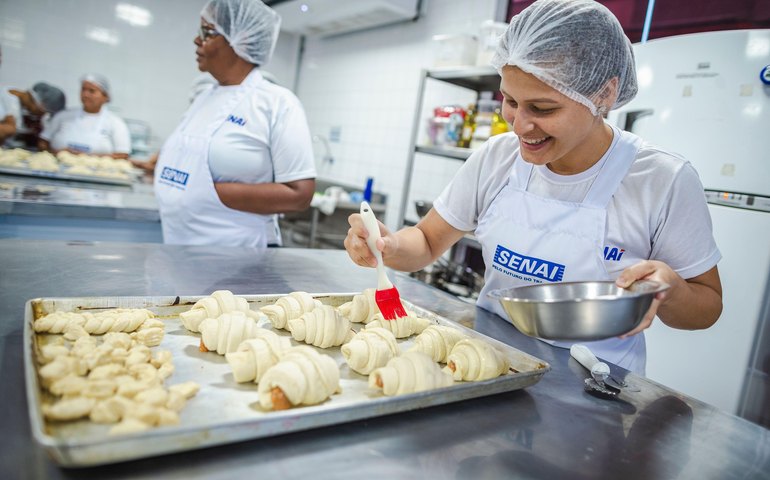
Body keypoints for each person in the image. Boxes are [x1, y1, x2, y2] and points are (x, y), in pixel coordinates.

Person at [343, 0, 722, 375]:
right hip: (488, 367)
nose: (519, 125)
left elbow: (707, 306)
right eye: (510, 101)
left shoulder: (662, 179)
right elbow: (426, 242)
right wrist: (388, 247)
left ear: (603, 95)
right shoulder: (497, 158)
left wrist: (671, 290)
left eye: (542, 109)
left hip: (595, 386)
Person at [153, 0, 315, 248]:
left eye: (207, 32)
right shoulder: (204, 97)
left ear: (240, 39)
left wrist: (205, 192)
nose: (197, 40)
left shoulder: (278, 103)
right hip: (179, 248)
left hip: (240, 255)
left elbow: (299, 194)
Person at [38, 74, 131, 159]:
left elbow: (122, 155)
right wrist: (54, 153)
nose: (85, 95)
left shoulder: (115, 123)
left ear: (105, 97)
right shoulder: (63, 116)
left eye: (92, 91)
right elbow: (43, 142)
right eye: (83, 89)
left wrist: (86, 157)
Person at [3, 82, 66, 149]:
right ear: (38, 103)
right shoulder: (5, 105)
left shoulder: (13, 95)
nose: (42, 115)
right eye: (44, 112)